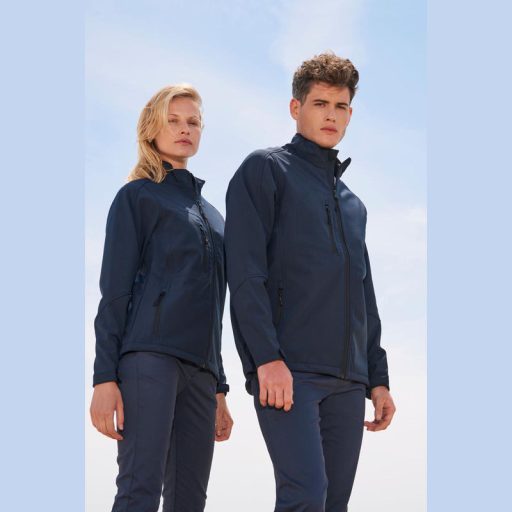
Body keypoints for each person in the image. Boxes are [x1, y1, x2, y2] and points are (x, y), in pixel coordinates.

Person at [224, 52, 396, 511]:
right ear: (295, 107)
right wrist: (266, 358)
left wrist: (377, 379)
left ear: (350, 114)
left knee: (333, 503)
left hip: (349, 380)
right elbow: (245, 274)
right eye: (320, 104)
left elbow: (364, 296)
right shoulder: (265, 170)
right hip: (290, 370)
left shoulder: (352, 204)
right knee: (305, 495)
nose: (331, 116)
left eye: (340, 107)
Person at [89, 84, 233, 512]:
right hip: (149, 360)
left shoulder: (215, 217)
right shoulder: (137, 197)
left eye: (193, 122)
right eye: (173, 121)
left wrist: (219, 388)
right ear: (151, 129)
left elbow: (214, 307)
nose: (184, 129)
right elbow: (114, 292)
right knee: (140, 491)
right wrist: (104, 378)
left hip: (201, 372)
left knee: (190, 500)